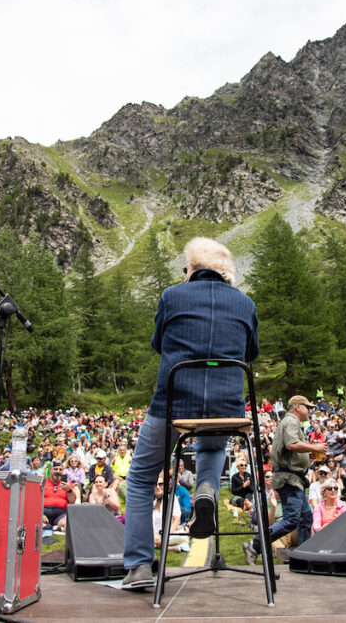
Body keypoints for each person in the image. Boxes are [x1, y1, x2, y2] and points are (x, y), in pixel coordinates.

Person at [122, 238, 259, 590]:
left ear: (193, 268)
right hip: (227, 408)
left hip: (174, 404)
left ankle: (138, 566)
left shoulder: (172, 296)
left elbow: (158, 343)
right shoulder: (245, 303)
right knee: (212, 447)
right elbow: (252, 351)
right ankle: (207, 490)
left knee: (139, 478)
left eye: (186, 269)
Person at [243, 395, 327, 565]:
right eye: (307, 407)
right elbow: (291, 445)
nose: (309, 410)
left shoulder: (292, 422)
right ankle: (255, 544)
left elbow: (291, 450)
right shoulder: (291, 422)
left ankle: (304, 555)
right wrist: (314, 447)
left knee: (305, 518)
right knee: (291, 521)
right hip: (289, 480)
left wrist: (308, 456)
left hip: (294, 479)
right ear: (297, 407)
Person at [42, 461, 76, 532]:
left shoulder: (67, 483)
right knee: (38, 521)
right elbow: (35, 500)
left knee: (66, 524)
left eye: (60, 469)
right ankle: (53, 528)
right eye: (55, 469)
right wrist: (40, 515)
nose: (58, 471)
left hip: (60, 513)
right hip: (44, 512)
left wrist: (69, 490)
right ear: (50, 470)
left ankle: (52, 528)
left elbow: (72, 501)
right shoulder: (43, 482)